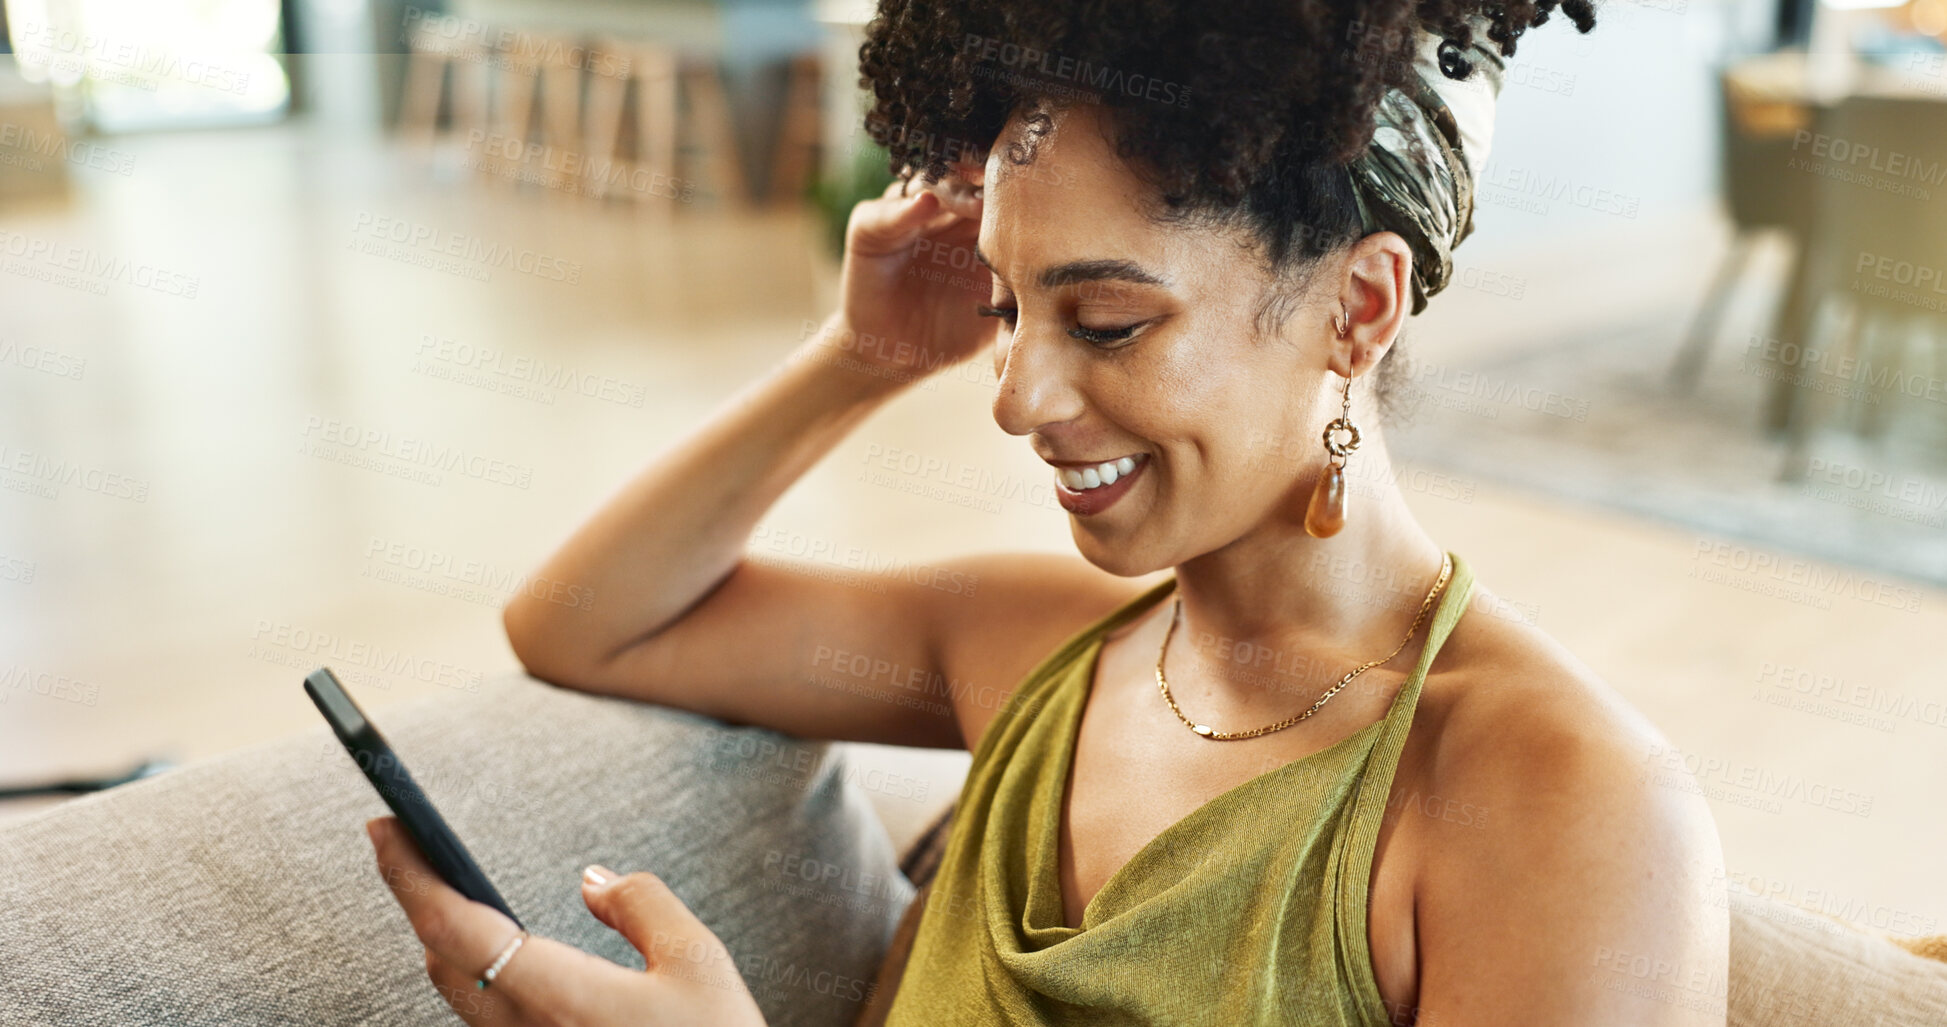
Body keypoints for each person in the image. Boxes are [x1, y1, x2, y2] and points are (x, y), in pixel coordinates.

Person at [366, 0, 1732, 1022]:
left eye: (1109, 319)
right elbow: (583, 626)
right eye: (1009, 307)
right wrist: (854, 363)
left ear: (1356, 307)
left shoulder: (1558, 802)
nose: (1016, 397)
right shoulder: (1023, 647)